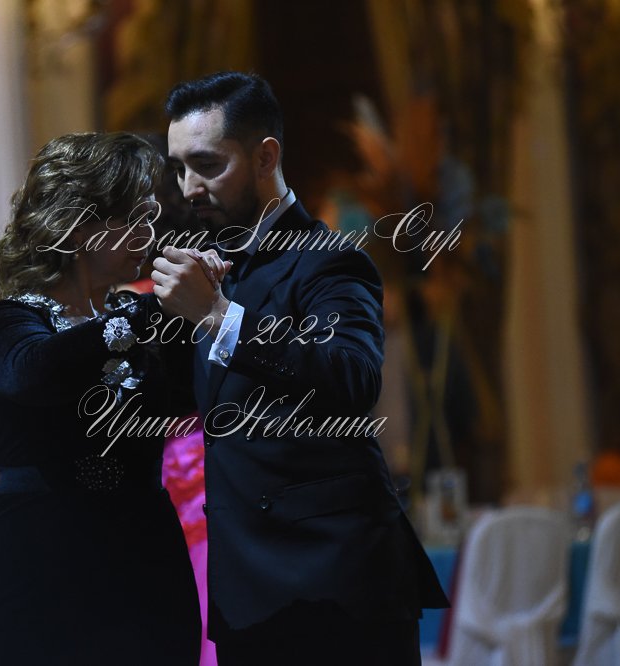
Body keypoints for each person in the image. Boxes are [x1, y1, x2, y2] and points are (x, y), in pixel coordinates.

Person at [151, 72, 450, 665]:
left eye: (207, 165)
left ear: (266, 157)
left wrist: (217, 316)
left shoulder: (330, 260)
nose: (189, 188)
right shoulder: (214, 269)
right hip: (247, 594)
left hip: (336, 583)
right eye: (180, 168)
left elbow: (353, 377)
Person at [0, 132, 203, 665]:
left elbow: (197, 394)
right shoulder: (9, 323)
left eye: (149, 216)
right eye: (132, 218)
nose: (148, 233)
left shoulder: (135, 322)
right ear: (78, 226)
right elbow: (33, 372)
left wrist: (206, 308)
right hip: (40, 573)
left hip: (144, 567)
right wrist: (142, 314)